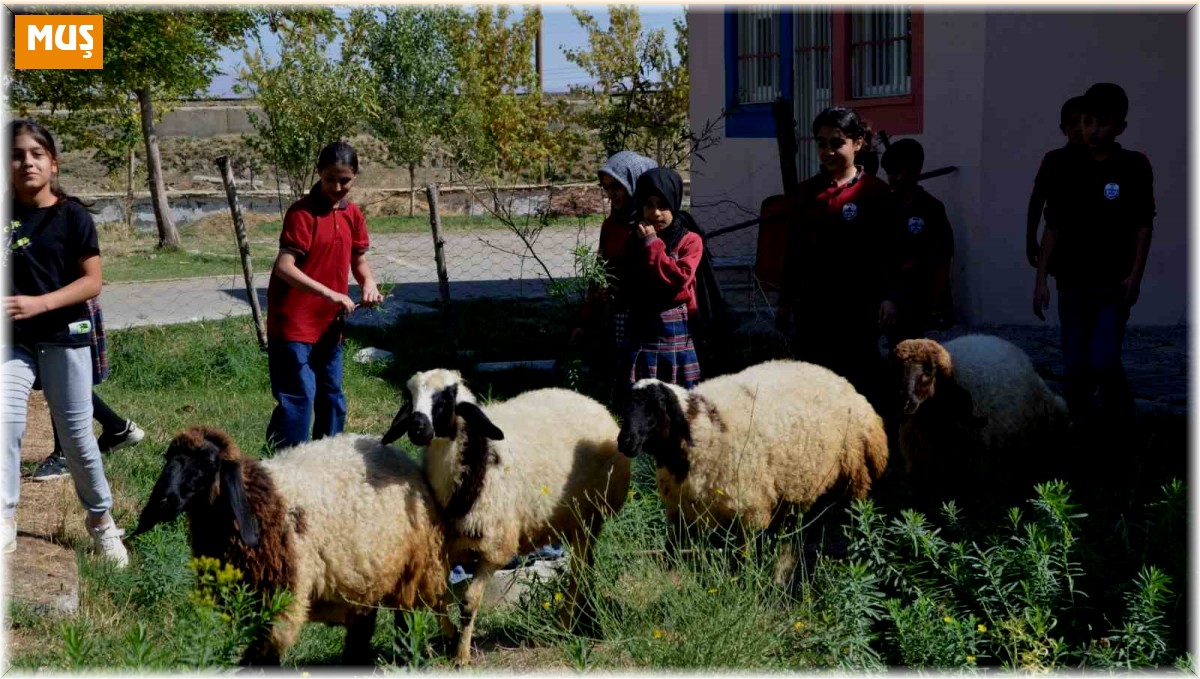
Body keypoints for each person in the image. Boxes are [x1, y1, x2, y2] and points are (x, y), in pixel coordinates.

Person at [3, 119, 128, 565]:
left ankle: (101, 522)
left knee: (76, 438)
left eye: (36, 154)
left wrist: (40, 304)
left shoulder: (72, 216)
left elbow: (93, 282)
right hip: (12, 341)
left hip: (64, 337)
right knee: (6, 421)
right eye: (16, 155)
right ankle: (5, 519)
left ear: (53, 165)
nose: (26, 162)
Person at [1032, 82, 1154, 449]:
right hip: (1071, 280)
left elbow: (1143, 223)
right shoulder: (1067, 165)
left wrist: (1136, 273)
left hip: (1113, 282)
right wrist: (1040, 279)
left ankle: (1124, 425)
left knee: (1104, 358)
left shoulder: (1133, 165)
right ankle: (1081, 433)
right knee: (1074, 364)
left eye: (1102, 122)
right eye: (1086, 121)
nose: (1092, 130)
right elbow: (1053, 224)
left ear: (1120, 126)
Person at [774, 106, 898, 406]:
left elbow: (891, 250)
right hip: (814, 311)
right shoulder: (806, 195)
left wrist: (889, 297)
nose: (828, 151)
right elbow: (794, 251)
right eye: (821, 143)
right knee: (813, 390)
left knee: (858, 389)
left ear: (857, 143)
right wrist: (786, 302)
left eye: (836, 142)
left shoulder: (876, 193)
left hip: (858, 311)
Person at [265, 141, 382, 451]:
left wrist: (368, 283)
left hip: (329, 324)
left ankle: (328, 459)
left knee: (331, 395)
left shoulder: (352, 215)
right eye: (330, 178)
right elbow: (284, 267)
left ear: (355, 175)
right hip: (292, 324)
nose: (337, 186)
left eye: (345, 180)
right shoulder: (302, 213)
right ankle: (287, 463)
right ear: (318, 173)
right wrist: (331, 293)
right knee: (300, 395)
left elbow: (358, 260)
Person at [571, 151, 657, 402]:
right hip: (615, 314)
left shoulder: (652, 225)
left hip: (648, 318)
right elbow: (600, 270)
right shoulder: (611, 225)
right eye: (607, 188)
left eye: (617, 186)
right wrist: (585, 318)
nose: (611, 194)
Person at [33, 298, 145, 481]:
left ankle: (65, 454)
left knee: (57, 372)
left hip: (62, 306)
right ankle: (117, 428)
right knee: (53, 374)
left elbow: (90, 280)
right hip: (45, 302)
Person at [623, 166, 705, 395]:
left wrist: (653, 244)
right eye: (648, 204)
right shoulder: (634, 239)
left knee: (678, 397)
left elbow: (678, 279)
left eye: (663, 205)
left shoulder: (690, 241)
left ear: (675, 203)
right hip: (642, 330)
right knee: (644, 396)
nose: (655, 213)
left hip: (674, 333)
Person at [880, 138, 954, 348]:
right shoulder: (883, 206)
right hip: (884, 295)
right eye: (889, 172)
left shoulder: (931, 208)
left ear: (916, 170)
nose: (892, 178)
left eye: (897, 171)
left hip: (915, 298)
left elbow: (943, 256)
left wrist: (938, 302)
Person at [1026, 95, 1087, 268]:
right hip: (1064, 251)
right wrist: (1031, 240)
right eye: (1073, 123)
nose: (1078, 129)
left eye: (1084, 122)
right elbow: (1036, 201)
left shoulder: (1108, 161)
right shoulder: (1054, 161)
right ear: (1063, 128)